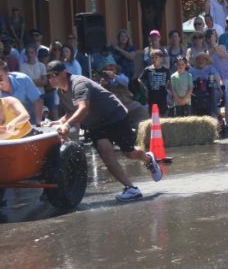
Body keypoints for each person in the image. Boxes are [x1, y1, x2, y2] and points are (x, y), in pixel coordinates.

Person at [45, 60, 162, 203]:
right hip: (96, 124)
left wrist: (67, 126)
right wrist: (59, 121)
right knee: (105, 152)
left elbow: (83, 108)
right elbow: (71, 110)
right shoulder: (61, 91)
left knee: (129, 153)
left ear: (64, 72)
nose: (51, 79)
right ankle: (131, 189)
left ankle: (149, 159)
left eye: (55, 74)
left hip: (114, 115)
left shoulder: (78, 83)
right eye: (49, 76)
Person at [0, 59, 43, 126]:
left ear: (7, 73)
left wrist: (38, 122)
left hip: (32, 120)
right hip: (11, 125)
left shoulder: (23, 79)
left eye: (0, 78)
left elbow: (37, 101)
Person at [140, 50, 170, 116]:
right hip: (152, 97)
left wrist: (167, 87)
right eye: (152, 57)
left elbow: (170, 80)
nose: (154, 59)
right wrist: (145, 89)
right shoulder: (148, 70)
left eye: (156, 57)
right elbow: (140, 80)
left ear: (161, 59)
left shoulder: (166, 70)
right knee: (154, 116)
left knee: (163, 115)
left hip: (162, 97)